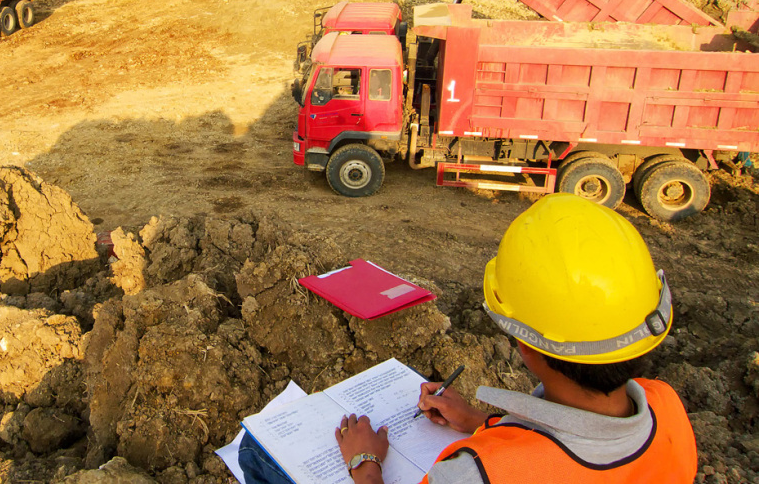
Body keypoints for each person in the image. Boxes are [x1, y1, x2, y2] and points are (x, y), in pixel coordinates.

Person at [240, 194, 698, 483]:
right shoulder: (668, 410)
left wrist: (365, 462)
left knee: (257, 455)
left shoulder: (479, 471)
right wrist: (482, 420)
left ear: (523, 343)